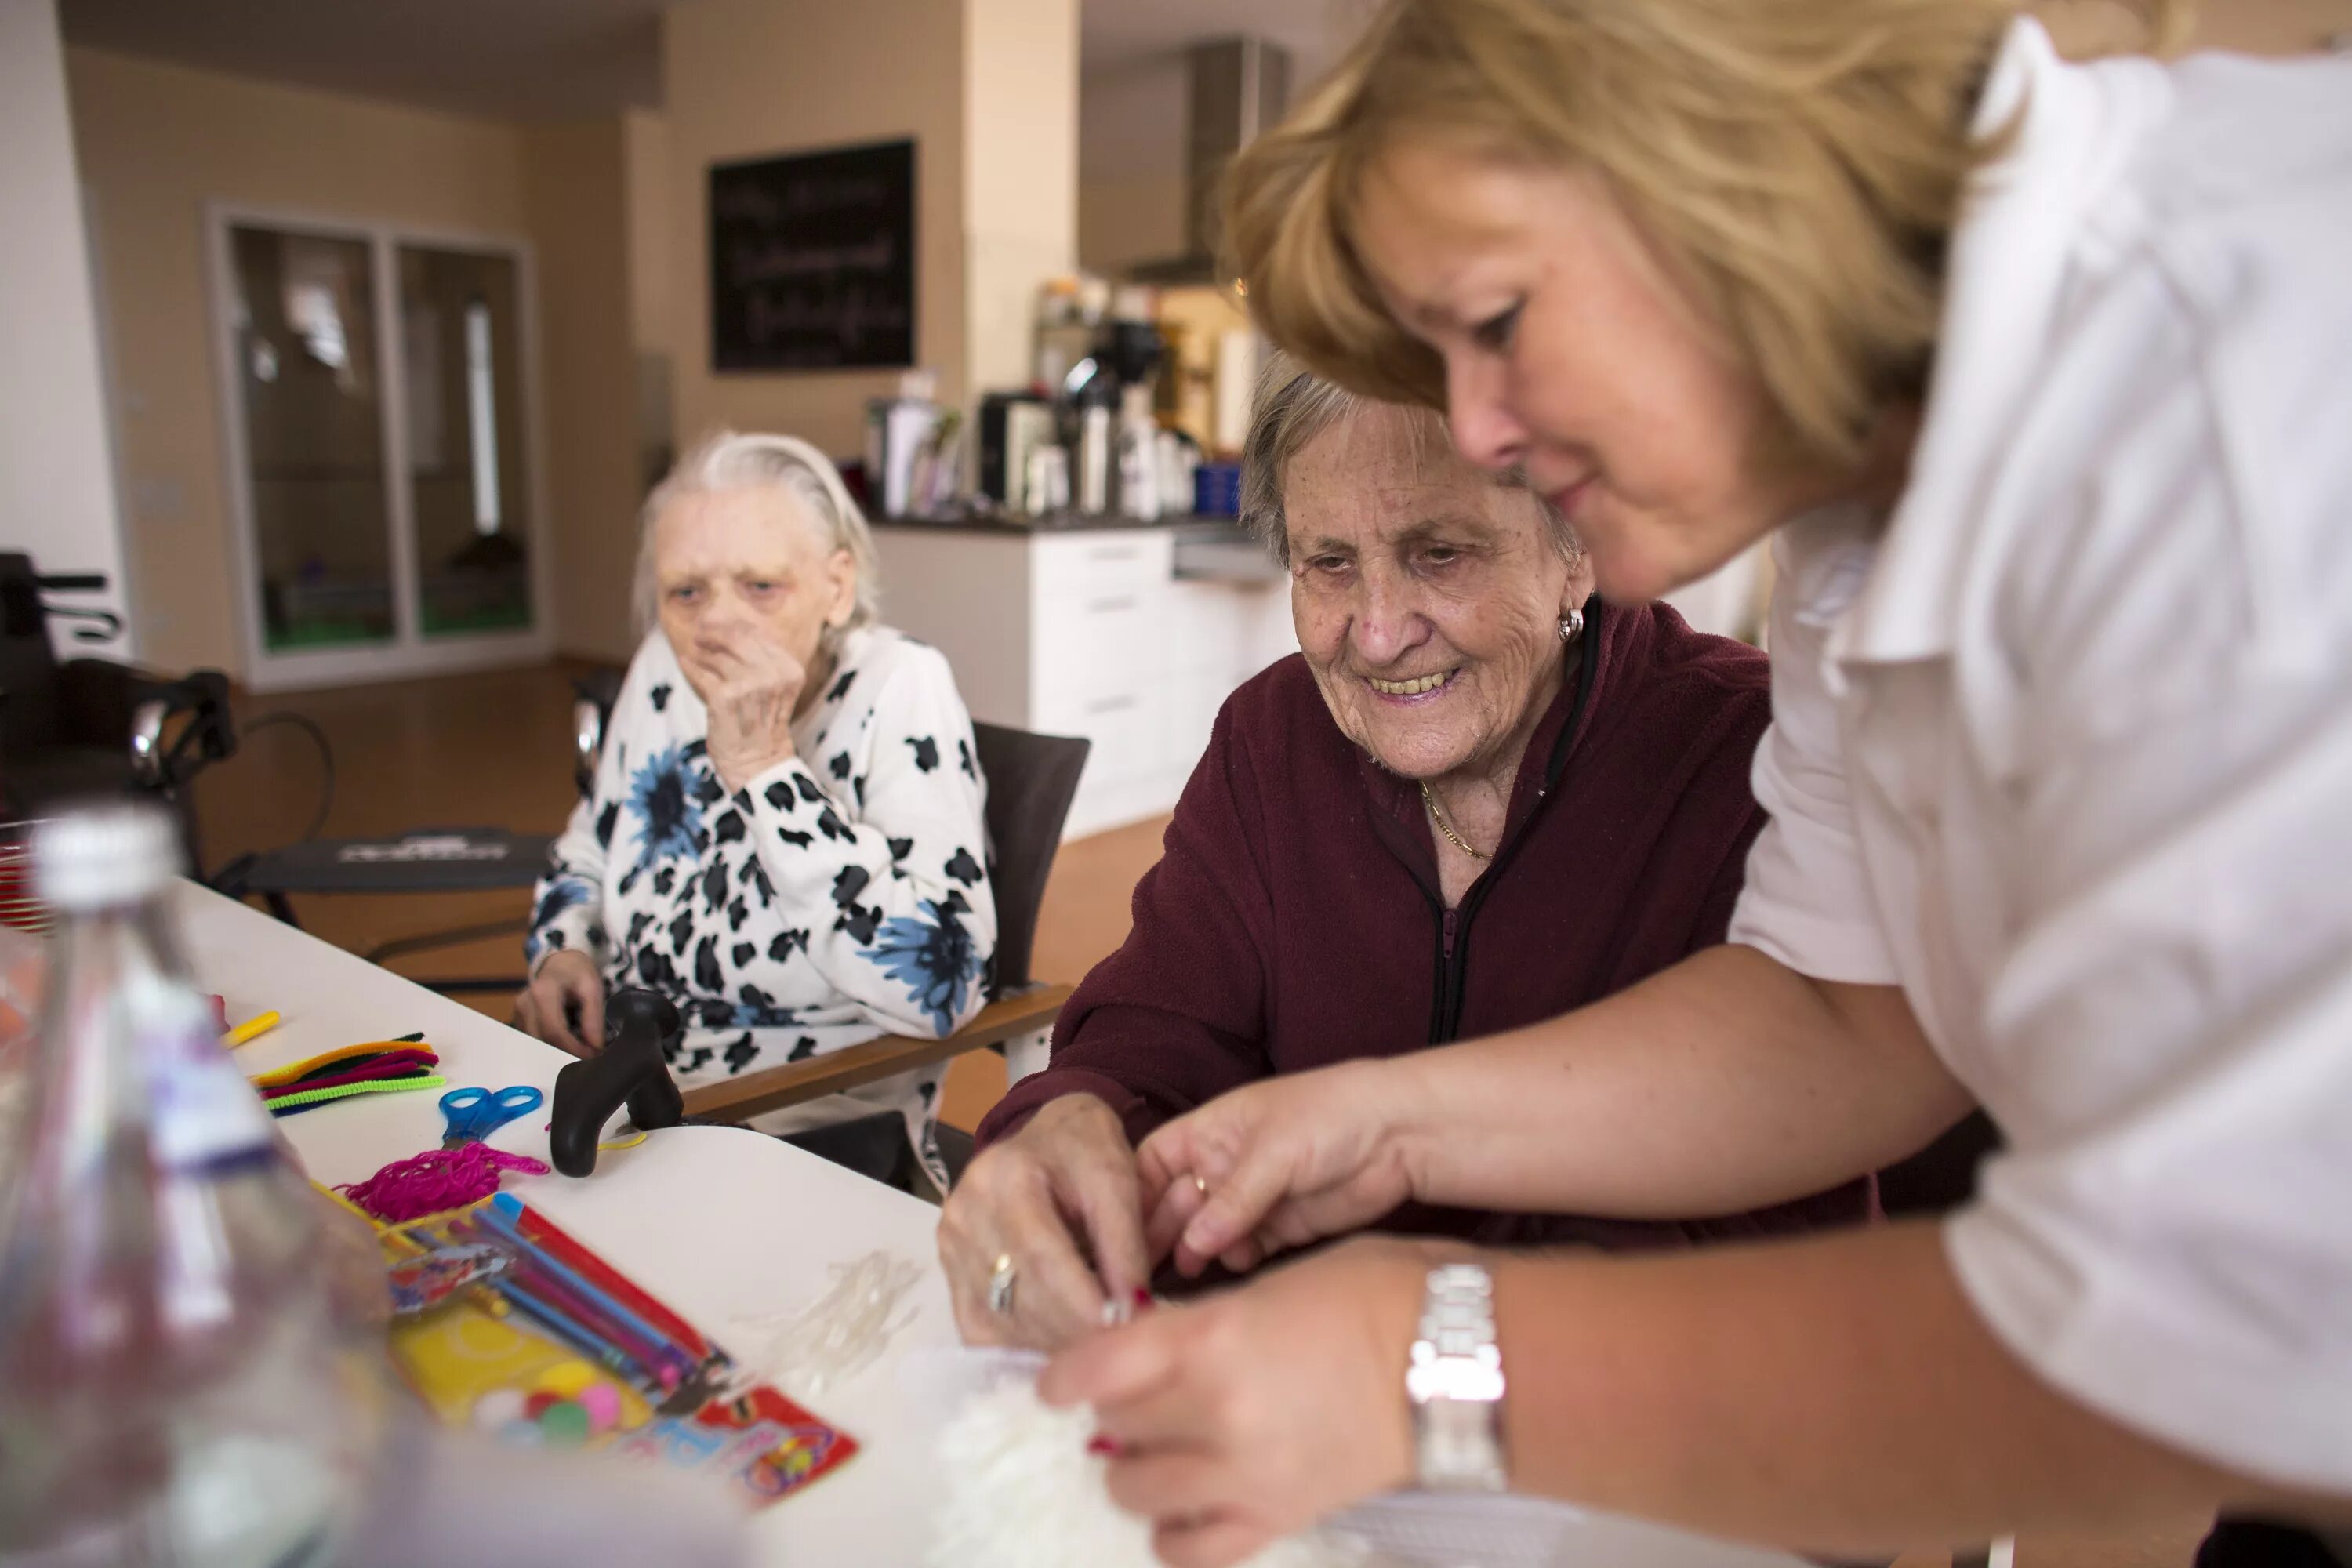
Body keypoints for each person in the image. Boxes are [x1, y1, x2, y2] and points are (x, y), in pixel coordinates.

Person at [1039, 4, 2352, 1566]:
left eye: (1501, 317)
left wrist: (1424, 1354)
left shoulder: (2231, 420)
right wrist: (1384, 1127)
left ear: (1718, 171)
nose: (1478, 431)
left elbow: (2202, 1352)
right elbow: (1839, 1008)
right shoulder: (1863, 515)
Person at [938, 360, 1866, 1348]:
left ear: (1581, 548)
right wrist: (1066, 1125)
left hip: (1622, 1444)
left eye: (1441, 553)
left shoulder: (1748, 761)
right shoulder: (1273, 736)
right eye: (1328, 562)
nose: (1376, 635)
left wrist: (1431, 1329)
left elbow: (1787, 1245)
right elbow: (1156, 1027)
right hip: (1281, 1412)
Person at [518, 431, 995, 1189]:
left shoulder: (902, 687)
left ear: (837, 586)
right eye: (687, 592)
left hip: (801, 1114)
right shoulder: (662, 672)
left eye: (761, 587)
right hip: (626, 1081)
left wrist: (766, 768)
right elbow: (591, 845)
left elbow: (942, 984)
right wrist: (563, 947)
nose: (718, 625)